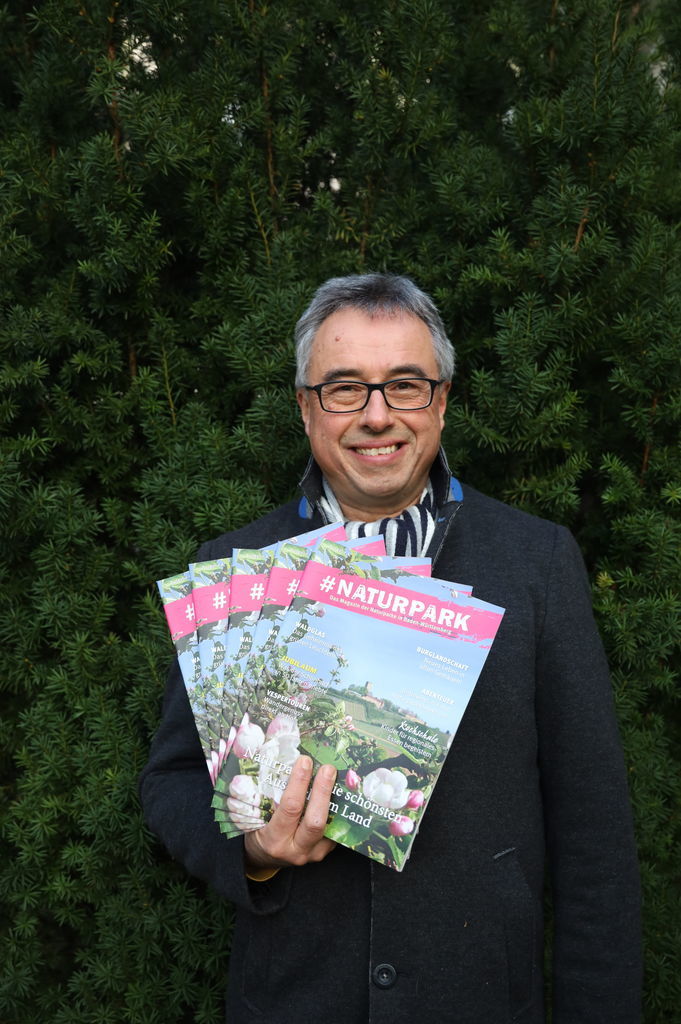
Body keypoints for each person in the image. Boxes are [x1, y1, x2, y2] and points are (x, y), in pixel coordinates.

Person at [139, 273, 642, 1023]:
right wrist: (253, 851)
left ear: (441, 400)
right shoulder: (237, 572)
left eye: (405, 385)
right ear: (305, 407)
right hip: (294, 1001)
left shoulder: (536, 564)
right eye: (345, 389)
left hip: (479, 1000)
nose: (377, 416)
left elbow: (593, 834)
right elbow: (172, 780)